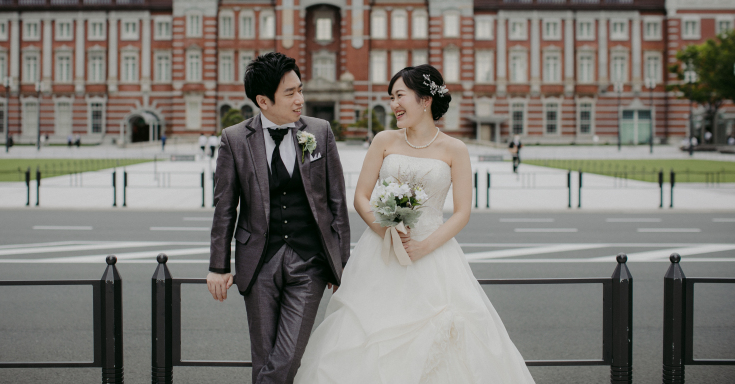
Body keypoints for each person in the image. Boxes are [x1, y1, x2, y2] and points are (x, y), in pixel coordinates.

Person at [295, 65, 535, 384]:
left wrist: (423, 246)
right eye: (391, 97)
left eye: (399, 96)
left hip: (434, 253)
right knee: (365, 333)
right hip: (380, 253)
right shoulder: (384, 140)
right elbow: (361, 198)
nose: (393, 104)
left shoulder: (455, 149)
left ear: (424, 100)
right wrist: (387, 231)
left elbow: (462, 212)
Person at [207, 52, 350, 384]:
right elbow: (224, 207)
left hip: (310, 262)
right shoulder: (235, 139)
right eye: (290, 93)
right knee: (264, 358)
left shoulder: (320, 131)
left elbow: (337, 202)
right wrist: (218, 265)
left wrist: (340, 265)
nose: (300, 99)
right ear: (263, 100)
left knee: (287, 357)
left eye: (300, 89)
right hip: (258, 262)